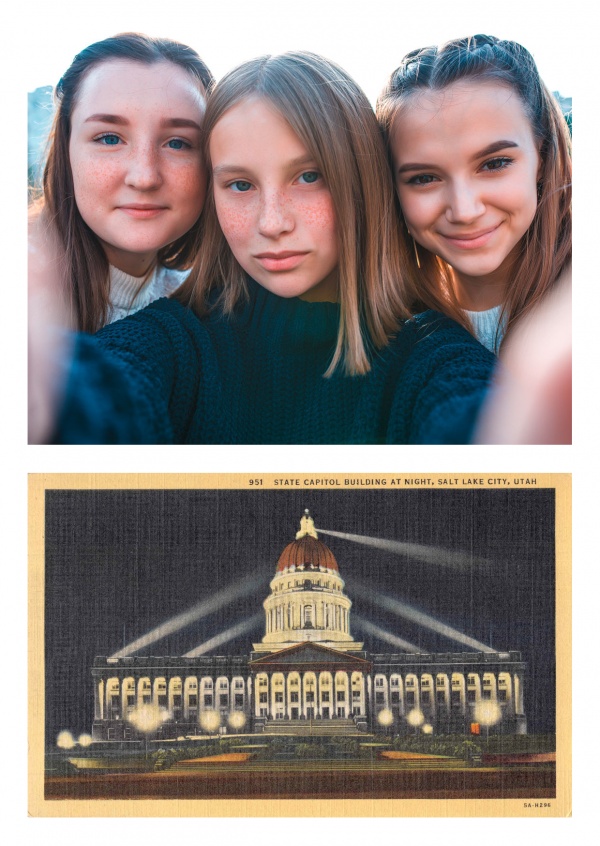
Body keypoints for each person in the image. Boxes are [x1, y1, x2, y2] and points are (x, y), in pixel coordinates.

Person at [34, 51, 495, 445]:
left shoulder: (434, 357)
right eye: (239, 184)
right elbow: (110, 388)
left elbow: (480, 422)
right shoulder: (179, 338)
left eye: (308, 177)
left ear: (362, 181)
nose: (272, 223)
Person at [376, 34, 571, 353]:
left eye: (494, 164)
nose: (464, 210)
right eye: (424, 178)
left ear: (543, 157)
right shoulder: (387, 333)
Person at [29, 32, 214, 332]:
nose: (144, 177)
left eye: (177, 143)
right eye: (110, 139)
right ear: (67, 150)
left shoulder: (213, 313)